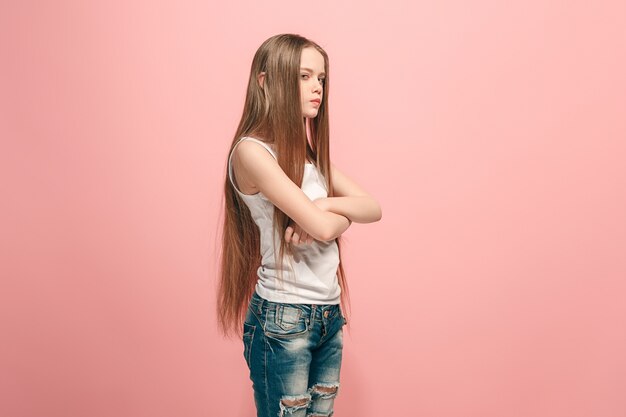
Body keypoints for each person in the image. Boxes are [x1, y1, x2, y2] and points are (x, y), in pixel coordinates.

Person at [217, 33, 382, 417]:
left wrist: (322, 204)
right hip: (284, 317)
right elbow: (326, 229)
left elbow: (372, 207)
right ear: (266, 81)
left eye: (321, 79)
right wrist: (335, 216)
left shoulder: (307, 155)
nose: (317, 88)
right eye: (304, 76)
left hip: (327, 314)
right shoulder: (251, 152)